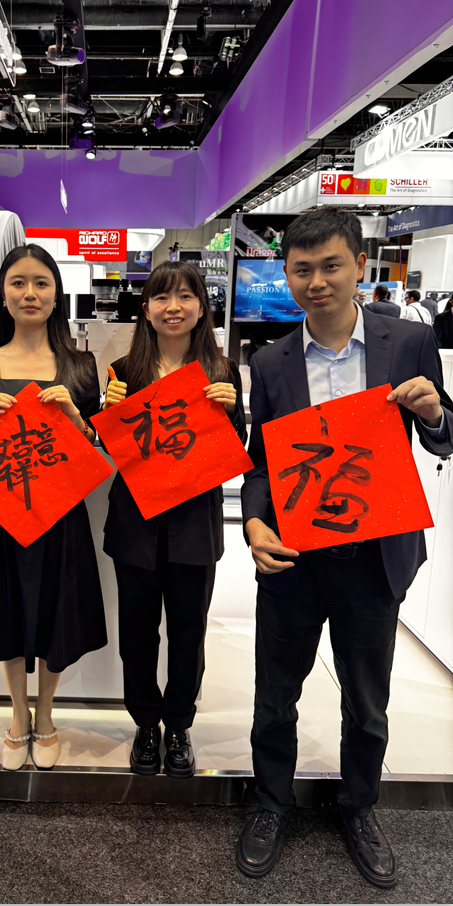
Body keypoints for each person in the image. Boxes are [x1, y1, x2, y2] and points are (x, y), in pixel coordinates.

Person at [237, 208, 453, 888]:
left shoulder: (409, 341)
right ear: (286, 275)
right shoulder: (270, 361)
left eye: (330, 265)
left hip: (375, 557)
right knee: (276, 694)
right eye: (301, 270)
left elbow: (445, 432)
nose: (316, 282)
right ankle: (270, 803)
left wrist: (434, 413)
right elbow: (261, 464)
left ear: (360, 264)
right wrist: (253, 523)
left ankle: (359, 808)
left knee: (367, 699)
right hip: (294, 557)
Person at [0, 243, 107, 772]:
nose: (30, 293)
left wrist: (77, 418)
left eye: (41, 283)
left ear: (56, 294)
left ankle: (46, 714)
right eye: (17, 283)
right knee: (9, 610)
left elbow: (96, 450)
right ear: (3, 295)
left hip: (59, 513)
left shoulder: (81, 365)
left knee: (54, 613)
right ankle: (18, 713)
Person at [101, 261, 247, 779]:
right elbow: (112, 454)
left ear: (202, 308)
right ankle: (145, 723)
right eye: (162, 297)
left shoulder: (222, 372)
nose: (173, 307)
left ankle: (179, 724)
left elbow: (237, 450)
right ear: (145, 310)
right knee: (138, 633)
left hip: (194, 526)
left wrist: (232, 412)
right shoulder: (123, 371)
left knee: (189, 632)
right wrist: (106, 415)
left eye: (185, 296)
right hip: (136, 526)